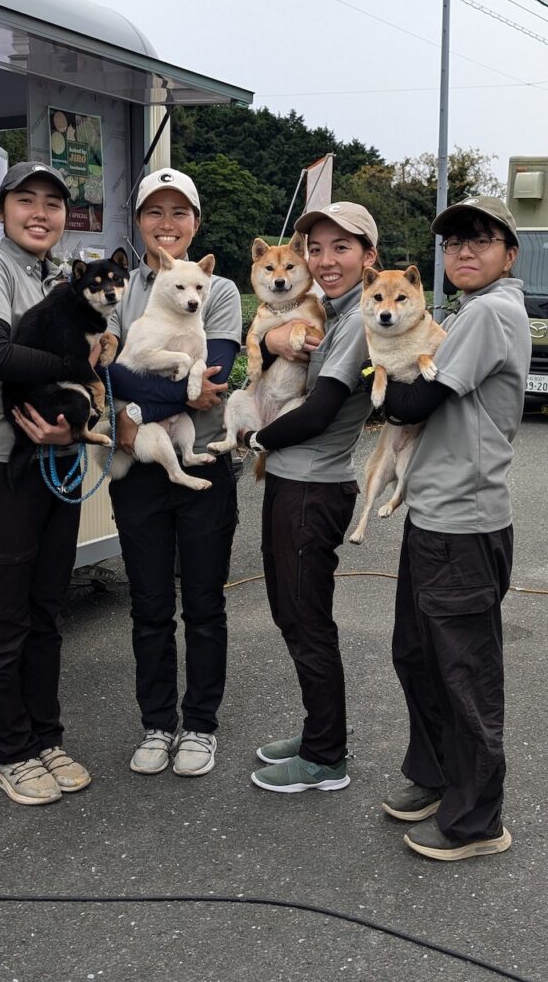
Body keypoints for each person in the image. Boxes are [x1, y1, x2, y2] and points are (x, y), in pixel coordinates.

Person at [380, 196, 531, 860]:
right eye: (453, 242)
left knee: (463, 671)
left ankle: (477, 822)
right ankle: (440, 777)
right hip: (436, 514)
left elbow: (412, 400)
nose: (464, 251)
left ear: (508, 252)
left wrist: (378, 367)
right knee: (418, 656)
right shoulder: (470, 312)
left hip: (464, 526)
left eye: (480, 239)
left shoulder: (491, 313)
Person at [107, 167, 241, 778]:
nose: (167, 224)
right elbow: (103, 374)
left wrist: (136, 408)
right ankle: (158, 723)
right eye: (155, 212)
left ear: (195, 221)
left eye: (179, 212)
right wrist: (139, 406)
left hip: (205, 464)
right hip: (136, 473)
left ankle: (202, 725)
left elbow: (210, 380)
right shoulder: (113, 289)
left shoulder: (219, 290)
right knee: (149, 604)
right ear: (139, 221)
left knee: (206, 604)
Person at [0, 161, 94, 805]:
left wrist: (76, 428)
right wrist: (76, 364)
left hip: (58, 464)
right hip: (0, 465)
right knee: (4, 615)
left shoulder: (60, 280)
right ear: (2, 211)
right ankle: (11, 752)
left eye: (53, 203)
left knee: (48, 609)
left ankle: (46, 737)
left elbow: (94, 382)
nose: (40, 213)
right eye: (26, 201)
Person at [245, 201, 378, 794]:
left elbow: (322, 410)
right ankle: (318, 731)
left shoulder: (357, 323)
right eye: (316, 249)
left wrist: (253, 438)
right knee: (292, 615)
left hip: (313, 490)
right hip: (291, 483)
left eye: (342, 248)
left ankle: (327, 757)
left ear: (368, 257)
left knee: (307, 621)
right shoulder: (332, 311)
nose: (326, 260)